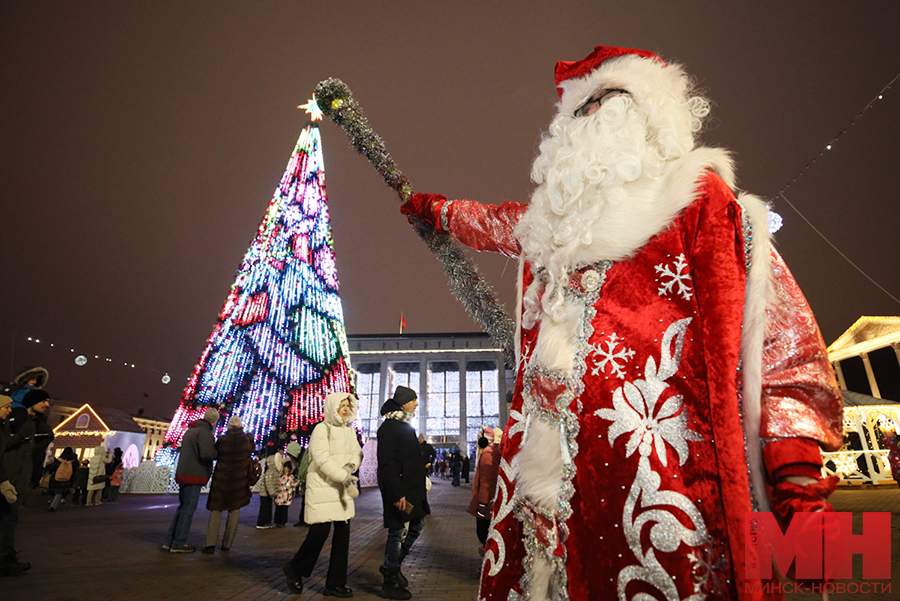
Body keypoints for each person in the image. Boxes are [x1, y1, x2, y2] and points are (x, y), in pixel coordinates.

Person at [399, 45, 844, 600]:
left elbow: (780, 342)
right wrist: (432, 209)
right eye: (579, 110)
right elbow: (492, 222)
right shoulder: (550, 226)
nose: (589, 117)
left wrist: (799, 488)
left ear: (651, 115)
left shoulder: (699, 199)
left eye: (608, 101)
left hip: (669, 493)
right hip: (544, 495)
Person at [283, 392, 362, 598]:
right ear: (332, 407)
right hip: (324, 488)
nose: (345, 409)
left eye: (347, 405)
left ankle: (335, 583)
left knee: (343, 536)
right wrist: (342, 475)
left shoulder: (349, 431)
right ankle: (296, 568)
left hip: (342, 490)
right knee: (319, 533)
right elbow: (320, 457)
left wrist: (352, 465)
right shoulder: (321, 429)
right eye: (341, 405)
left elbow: (356, 452)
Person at [376, 386, 429, 600]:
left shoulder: (403, 425)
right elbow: (387, 464)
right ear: (403, 403)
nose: (417, 404)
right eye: (414, 400)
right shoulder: (390, 427)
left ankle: (393, 566)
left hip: (412, 489)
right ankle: (390, 579)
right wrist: (397, 494)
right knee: (398, 531)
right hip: (399, 491)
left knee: (416, 525)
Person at [163, 407, 218, 553]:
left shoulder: (191, 431)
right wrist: (216, 452)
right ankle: (179, 543)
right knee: (188, 509)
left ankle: (170, 541)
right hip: (195, 474)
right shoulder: (205, 433)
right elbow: (207, 454)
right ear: (213, 422)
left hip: (184, 472)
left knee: (182, 507)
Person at [203, 415, 253, 554]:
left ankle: (210, 544)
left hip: (222, 479)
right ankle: (227, 543)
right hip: (238, 480)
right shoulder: (246, 440)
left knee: (216, 510)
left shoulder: (222, 440)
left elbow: (215, 454)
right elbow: (251, 450)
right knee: (234, 510)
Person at [0, 394, 30, 577]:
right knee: (8, 521)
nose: (9, 410)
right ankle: (5, 560)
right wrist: (4, 482)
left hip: (11, 479)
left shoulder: (3, 427)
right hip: (8, 479)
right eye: (6, 406)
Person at [468, 429, 501, 556]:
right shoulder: (493, 453)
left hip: (486, 503)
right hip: (491, 501)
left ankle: (488, 565)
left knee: (483, 533)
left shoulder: (487, 455)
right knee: (487, 534)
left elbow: (486, 483)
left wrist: (482, 504)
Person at [256, 447, 282, 529]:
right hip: (266, 494)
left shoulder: (272, 471)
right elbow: (269, 483)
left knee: (268, 508)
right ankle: (262, 523)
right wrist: (272, 492)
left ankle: (266, 522)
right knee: (265, 509)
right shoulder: (271, 472)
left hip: (267, 494)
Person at [47, 446, 78, 511]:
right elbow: (75, 470)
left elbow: (52, 468)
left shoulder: (59, 459)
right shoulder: (74, 460)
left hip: (56, 476)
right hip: (67, 477)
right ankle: (56, 502)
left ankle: (52, 502)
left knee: (55, 489)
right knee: (60, 491)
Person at [274, 461, 297, 527]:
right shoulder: (280, 476)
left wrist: (295, 484)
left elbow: (293, 484)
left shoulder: (291, 477)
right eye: (285, 468)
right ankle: (277, 521)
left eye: (287, 468)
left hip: (286, 495)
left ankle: (282, 521)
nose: (286, 469)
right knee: (278, 509)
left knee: (284, 510)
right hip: (280, 495)